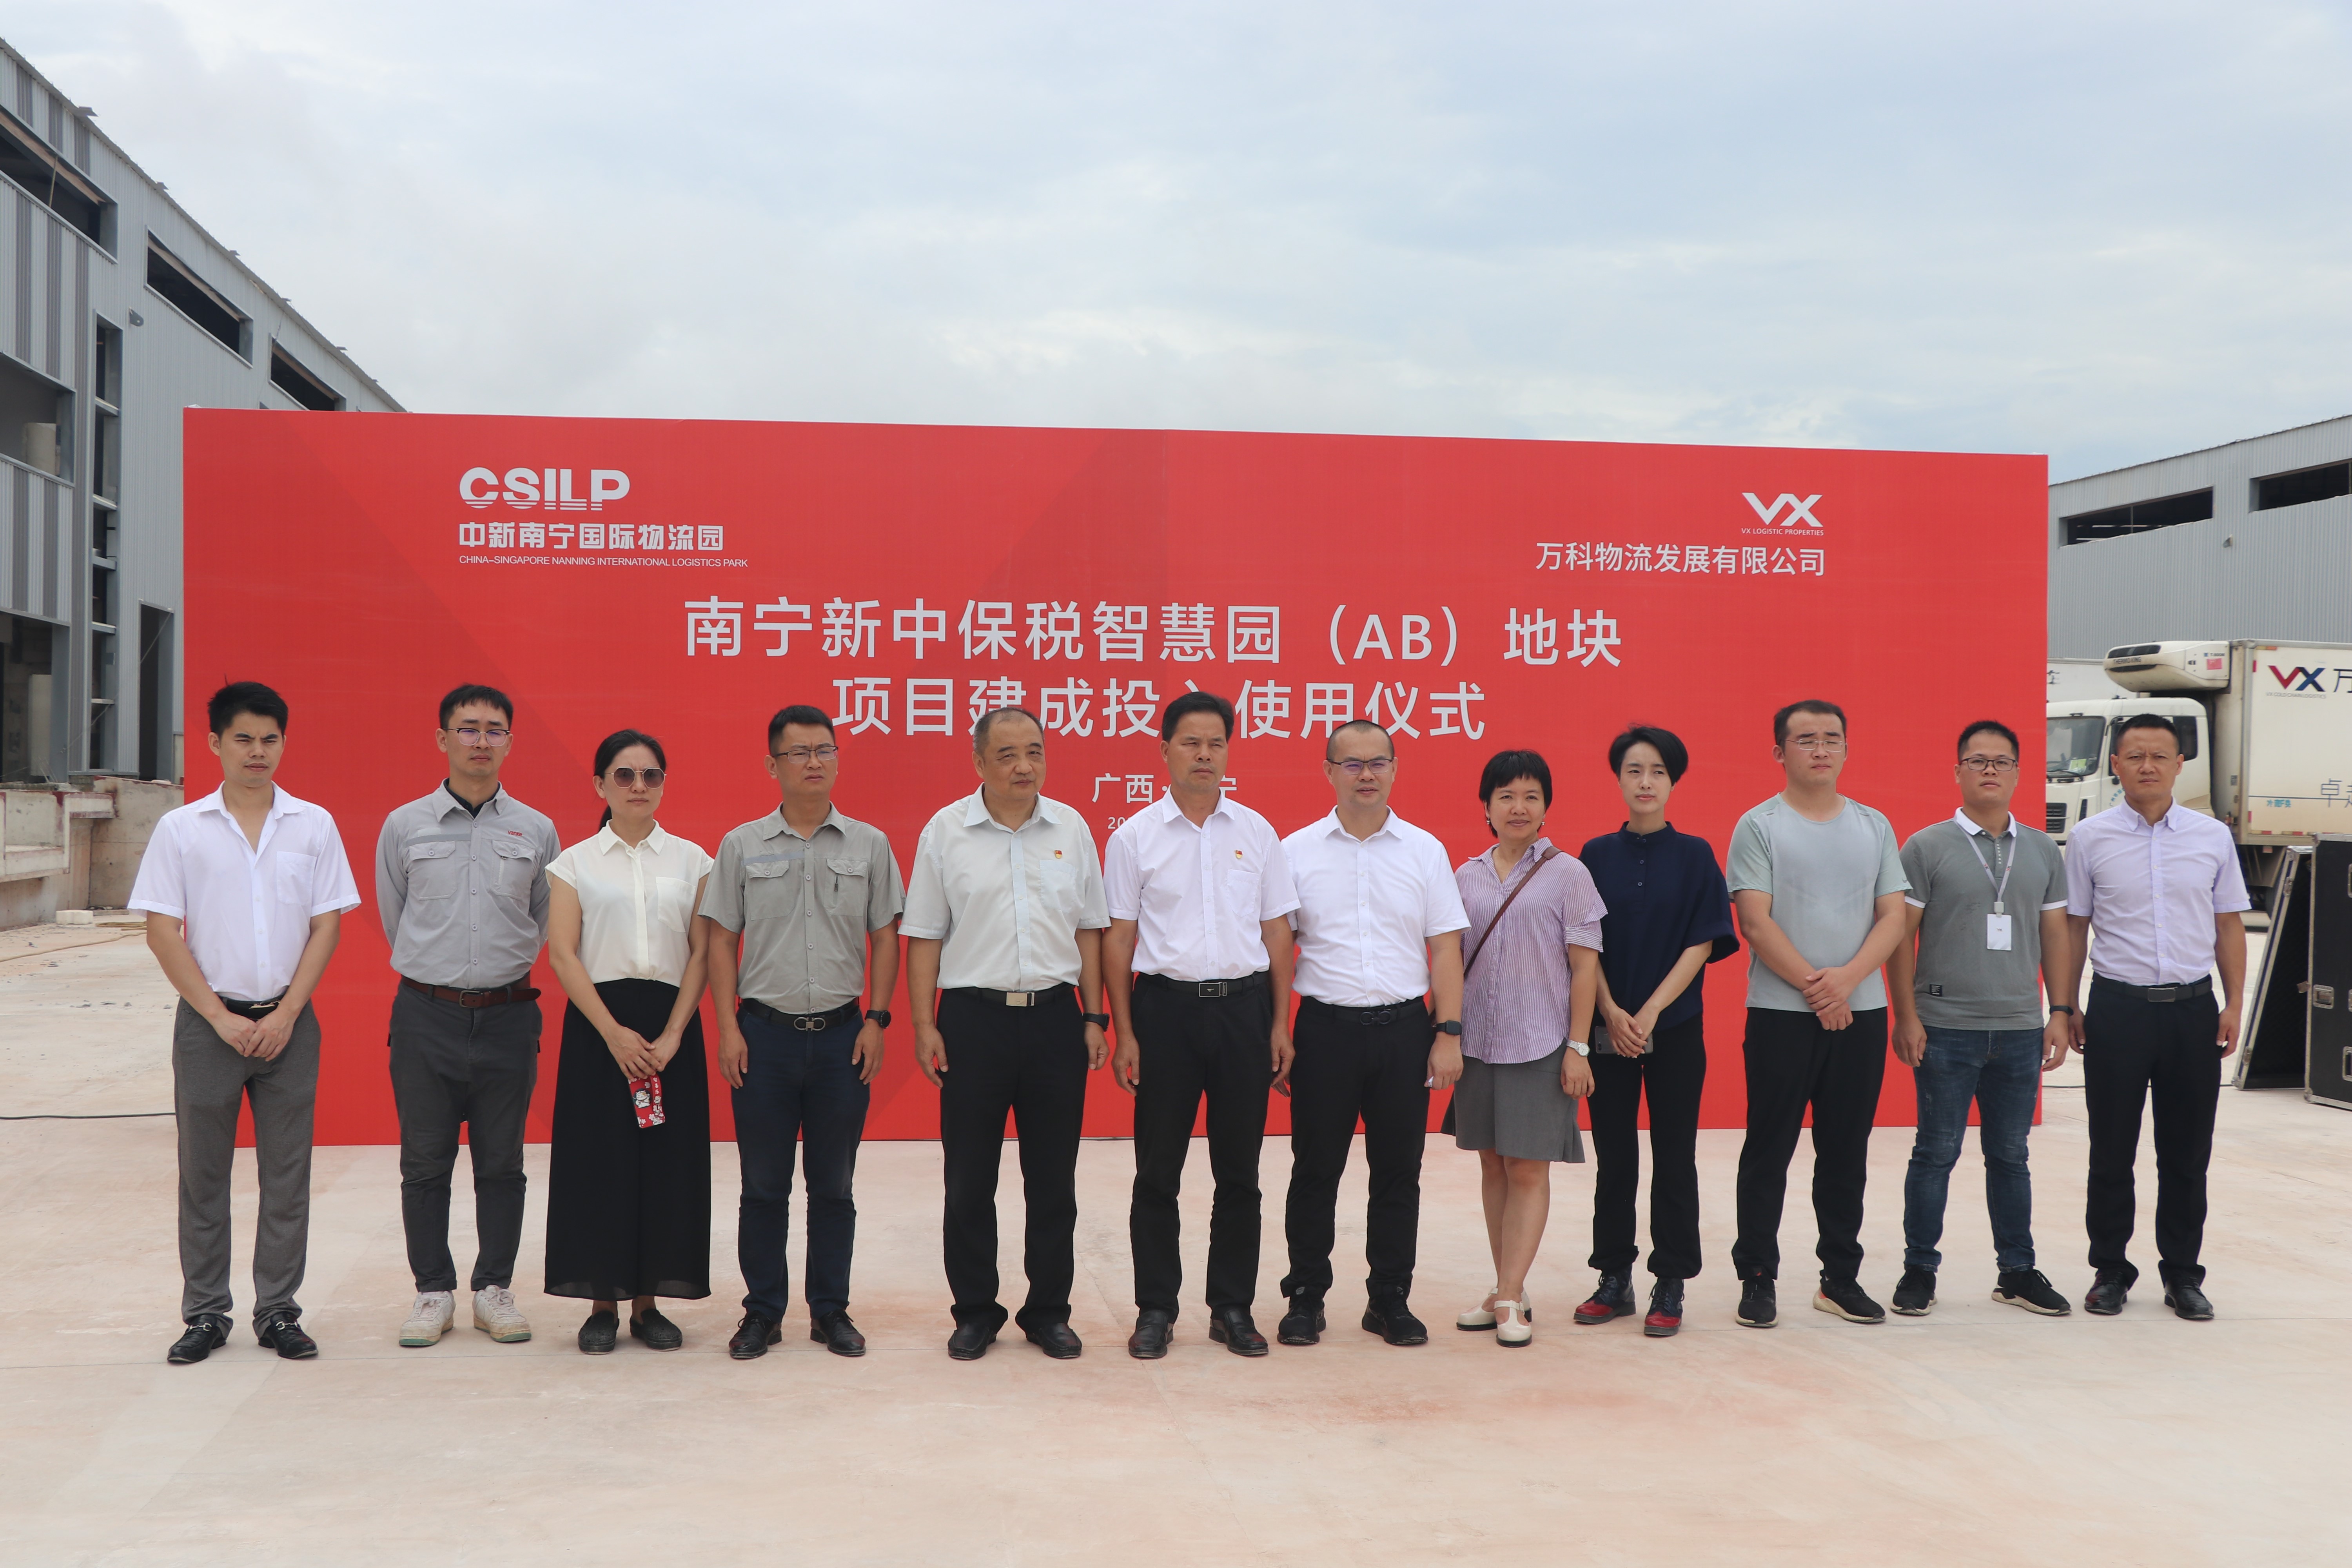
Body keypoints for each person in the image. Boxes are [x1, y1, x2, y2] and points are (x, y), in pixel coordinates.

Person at [131, 682, 361, 1365]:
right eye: (243, 740)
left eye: (270, 739)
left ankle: (278, 1311)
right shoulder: (182, 829)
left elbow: (327, 926)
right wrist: (219, 1016)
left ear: (284, 743)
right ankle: (205, 1313)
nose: (257, 752)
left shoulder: (313, 825)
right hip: (210, 1026)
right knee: (203, 1175)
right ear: (214, 744)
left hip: (290, 1024)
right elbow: (162, 932)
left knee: (287, 1175)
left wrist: (288, 1013)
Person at [904, 706, 1111, 1361]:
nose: (1025, 767)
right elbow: (924, 934)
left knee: (1053, 1180)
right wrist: (924, 1023)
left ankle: (1049, 1312)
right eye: (1008, 755)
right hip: (973, 1022)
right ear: (979, 763)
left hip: (1055, 1019)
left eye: (1035, 752)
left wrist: (1094, 1016)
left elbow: (1090, 929)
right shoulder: (946, 832)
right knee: (970, 1179)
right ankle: (975, 1311)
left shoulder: (1071, 828)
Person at [701, 704, 904, 1361]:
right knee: (763, 1186)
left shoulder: (869, 844)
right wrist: (728, 1027)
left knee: (833, 1187)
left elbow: (885, 937)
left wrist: (877, 1020)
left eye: (825, 750)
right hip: (764, 1038)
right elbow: (721, 940)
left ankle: (830, 1311)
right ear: (773, 765)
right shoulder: (742, 845)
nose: (814, 762)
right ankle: (762, 1312)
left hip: (844, 1037)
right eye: (799, 752)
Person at [1104, 692, 1299, 1359]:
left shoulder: (1257, 832)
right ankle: (1156, 1308)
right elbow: (1119, 939)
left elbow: (1278, 935)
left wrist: (1280, 1023)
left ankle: (1232, 1307)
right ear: (1165, 750)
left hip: (1245, 1012)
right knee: (1158, 1170)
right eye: (1191, 742)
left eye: (1216, 743)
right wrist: (1125, 1031)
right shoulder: (1134, 837)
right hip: (1165, 1012)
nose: (1205, 754)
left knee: (1239, 1170)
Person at [376, 683, 561, 1348]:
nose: (481, 741)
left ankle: (493, 1290)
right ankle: (433, 1292)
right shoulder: (405, 826)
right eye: (468, 728)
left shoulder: (536, 830)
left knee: (502, 1163)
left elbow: (543, 921)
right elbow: (395, 915)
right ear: (442, 739)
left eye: (494, 730)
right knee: (425, 1163)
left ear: (510, 741)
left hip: (508, 1015)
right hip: (426, 1015)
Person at [1278, 719, 1470, 1348]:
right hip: (1324, 1032)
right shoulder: (1295, 851)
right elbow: (1277, 950)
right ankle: (1305, 1296)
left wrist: (1448, 1032)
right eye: (1352, 763)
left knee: (1397, 1172)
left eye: (1378, 762)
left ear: (1395, 769)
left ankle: (1389, 1299)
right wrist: (1279, 1031)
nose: (1366, 775)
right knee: (1315, 1170)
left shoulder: (1424, 850)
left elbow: (1445, 949)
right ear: (1328, 771)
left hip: (1403, 1032)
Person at [2053, 714, 2249, 1321]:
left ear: (2179, 765)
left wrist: (2234, 1003)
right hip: (2118, 1011)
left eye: (2159, 756)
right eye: (2134, 755)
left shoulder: (2211, 837)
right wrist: (2068, 1005)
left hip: (2192, 1012)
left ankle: (2183, 1275)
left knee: (2186, 1154)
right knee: (2111, 1151)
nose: (2147, 766)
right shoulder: (2090, 838)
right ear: (2115, 764)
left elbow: (2228, 924)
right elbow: (2075, 928)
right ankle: (2110, 1271)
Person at [1726, 699, 1909, 1328]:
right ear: (1780, 753)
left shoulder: (1873, 826)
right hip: (1781, 1014)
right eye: (1806, 740)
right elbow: (1755, 921)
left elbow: (1894, 916)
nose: (1821, 749)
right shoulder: (1759, 825)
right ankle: (1757, 1275)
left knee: (1845, 1152)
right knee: (1768, 1148)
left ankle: (1840, 1278)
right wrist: (1819, 989)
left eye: (1833, 738)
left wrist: (1848, 982)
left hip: (1862, 1014)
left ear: (1847, 749)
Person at [1885, 720, 2074, 1319]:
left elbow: (2056, 935)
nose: (1990, 770)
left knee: (2011, 1156)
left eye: (2001, 761)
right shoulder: (1926, 847)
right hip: (1945, 1028)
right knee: (1935, 1152)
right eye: (1978, 761)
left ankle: (2016, 1272)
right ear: (1958, 772)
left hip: (2020, 1029)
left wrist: (2060, 1011)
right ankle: (1919, 1270)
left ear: (2018, 773)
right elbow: (1899, 938)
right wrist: (1907, 1015)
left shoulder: (2042, 850)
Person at [542, 730, 715, 1353]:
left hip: (670, 1028)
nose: (638, 786)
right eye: (624, 775)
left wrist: (673, 1035)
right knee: (600, 1164)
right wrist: (613, 1033)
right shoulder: (575, 863)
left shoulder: (694, 862)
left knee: (667, 1165)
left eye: (650, 775)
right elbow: (564, 955)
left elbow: (703, 953)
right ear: (600, 785)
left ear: (664, 784)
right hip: (600, 1029)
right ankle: (602, 1303)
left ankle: (648, 1305)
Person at [1575, 725, 1739, 1339]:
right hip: (1608, 1030)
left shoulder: (1695, 855)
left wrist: (1648, 1013)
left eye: (1658, 772)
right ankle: (1613, 1277)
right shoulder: (1594, 855)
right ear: (1618, 779)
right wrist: (1611, 1011)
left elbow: (1704, 942)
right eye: (1634, 771)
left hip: (1674, 1029)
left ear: (1674, 781)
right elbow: (1584, 944)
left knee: (1675, 1157)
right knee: (1614, 1159)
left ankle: (1670, 1280)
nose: (1646, 783)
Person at [1449, 749, 1604, 1348]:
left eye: (1531, 797)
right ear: (1486, 807)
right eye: (1506, 796)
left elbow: (1585, 969)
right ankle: (1505, 1286)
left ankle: (1511, 1295)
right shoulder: (1465, 876)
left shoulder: (1570, 875)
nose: (1519, 807)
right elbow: (1449, 960)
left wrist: (1578, 1047)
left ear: (1546, 808)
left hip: (1542, 1042)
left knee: (1528, 1167)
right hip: (1478, 1042)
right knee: (1492, 1163)